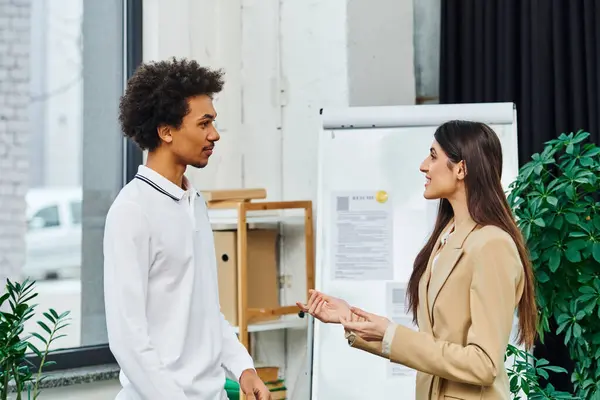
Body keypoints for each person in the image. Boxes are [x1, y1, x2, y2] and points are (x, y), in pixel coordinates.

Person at [297, 120, 537, 400]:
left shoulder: (492, 244)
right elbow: (433, 343)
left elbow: (483, 364)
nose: (424, 166)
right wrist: (348, 318)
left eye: (434, 156)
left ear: (461, 169)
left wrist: (392, 333)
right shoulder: (447, 235)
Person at [103, 58, 271, 400]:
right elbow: (127, 339)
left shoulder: (194, 202)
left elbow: (205, 308)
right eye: (204, 123)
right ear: (166, 131)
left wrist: (243, 368)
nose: (214, 134)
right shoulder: (132, 210)